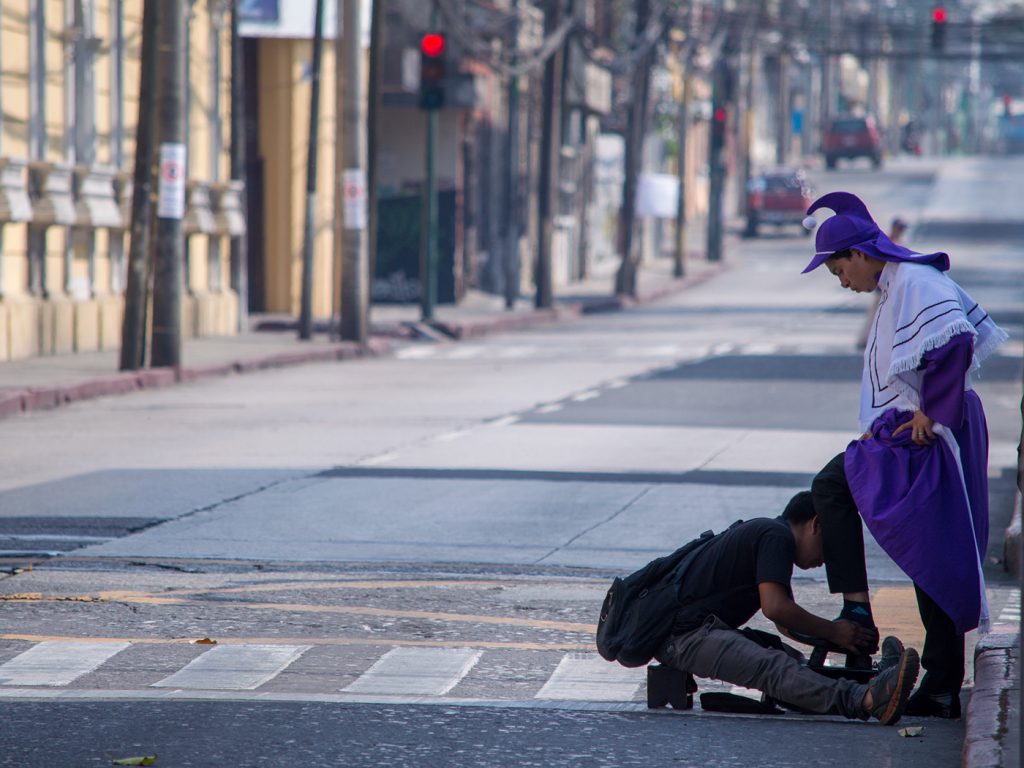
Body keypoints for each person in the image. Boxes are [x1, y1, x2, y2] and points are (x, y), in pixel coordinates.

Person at [801, 191, 1009, 718]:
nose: (843, 282)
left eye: (839, 270)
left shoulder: (915, 280)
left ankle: (862, 617)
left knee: (840, 490)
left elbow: (955, 342)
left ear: (859, 253)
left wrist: (930, 413)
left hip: (925, 437)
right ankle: (937, 682)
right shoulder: (898, 282)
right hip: (913, 433)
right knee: (929, 551)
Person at [654, 491, 920, 725]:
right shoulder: (775, 536)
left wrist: (843, 638)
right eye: (829, 547)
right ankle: (868, 699)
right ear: (816, 524)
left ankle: (869, 681)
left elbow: (786, 624)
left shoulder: (770, 534)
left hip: (694, 631)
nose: (826, 560)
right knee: (773, 666)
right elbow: (776, 608)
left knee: (789, 658)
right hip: (682, 638)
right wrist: (833, 632)